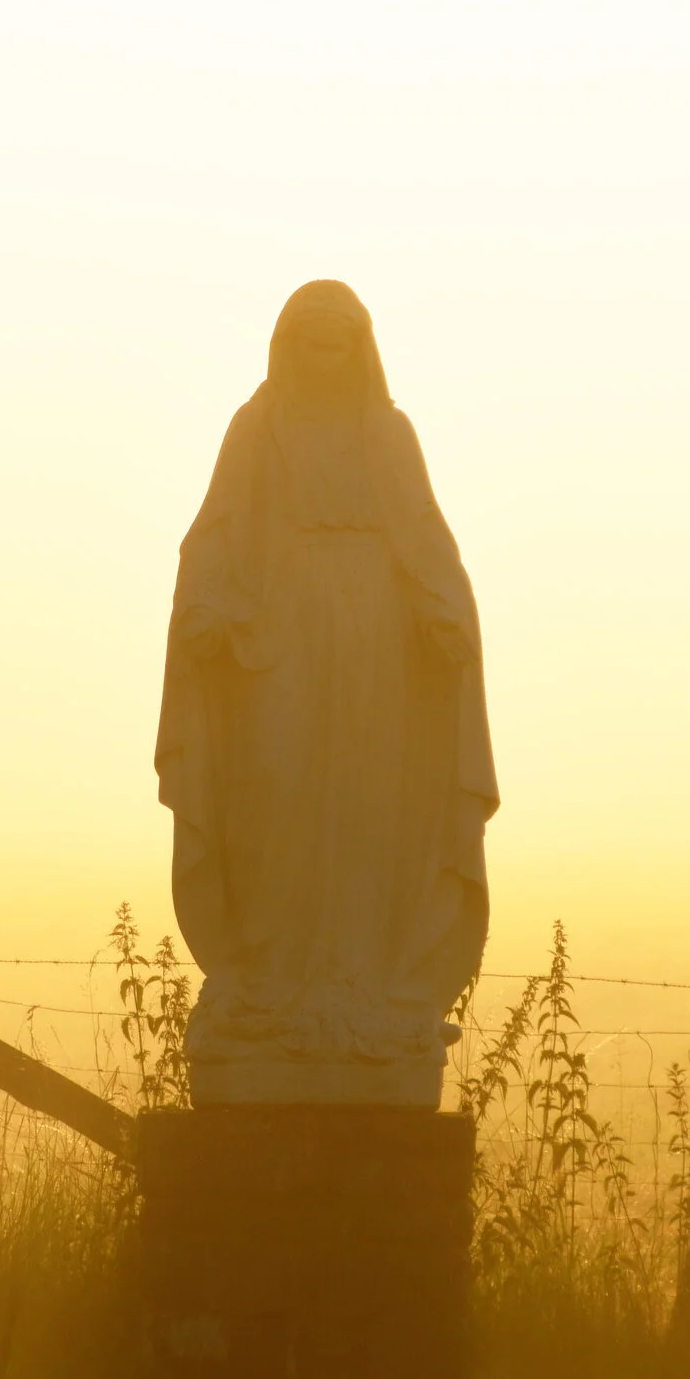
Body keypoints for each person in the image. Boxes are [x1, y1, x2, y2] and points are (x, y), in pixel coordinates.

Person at [155, 280, 497, 1105]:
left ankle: (363, 981)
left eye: (338, 342)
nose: (324, 356)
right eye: (310, 340)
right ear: (286, 346)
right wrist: (204, 602)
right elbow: (219, 527)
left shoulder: (388, 433)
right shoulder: (257, 428)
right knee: (275, 796)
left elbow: (422, 531)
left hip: (376, 645)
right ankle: (269, 977)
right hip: (278, 641)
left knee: (367, 804)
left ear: (360, 349)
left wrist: (447, 611)